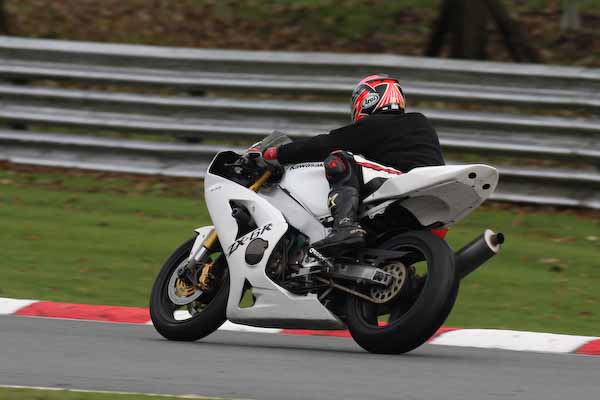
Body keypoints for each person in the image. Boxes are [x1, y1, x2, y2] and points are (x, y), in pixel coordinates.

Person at [260, 74, 445, 255]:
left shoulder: (374, 125)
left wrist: (278, 153)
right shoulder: (420, 122)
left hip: (402, 181)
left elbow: (324, 144)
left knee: (339, 158)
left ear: (368, 99)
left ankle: (345, 226)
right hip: (430, 196)